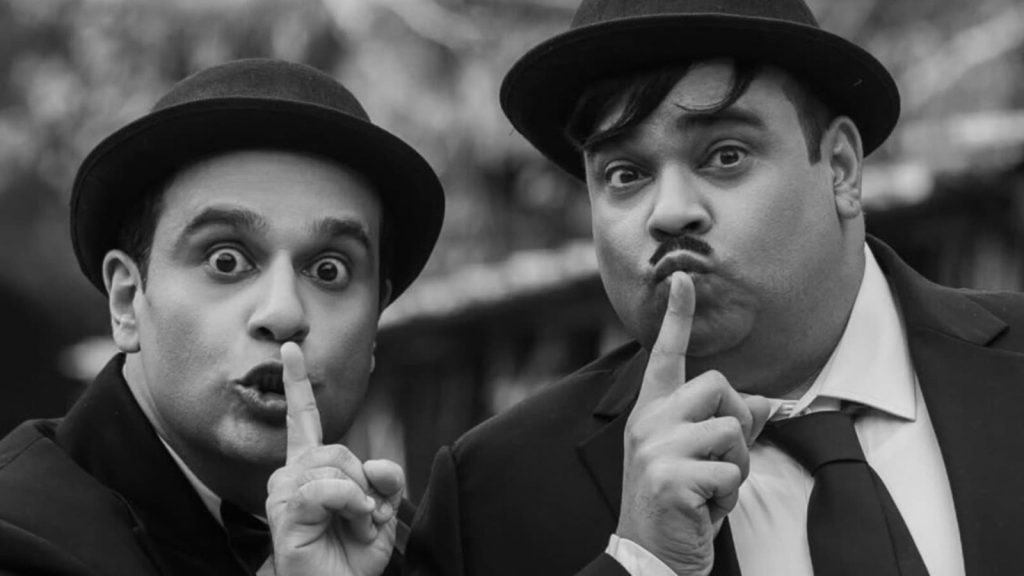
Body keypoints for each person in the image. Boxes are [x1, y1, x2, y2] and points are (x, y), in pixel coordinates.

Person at [405, 1, 1024, 575]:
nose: (670, 211)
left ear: (840, 168)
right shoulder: (494, 498)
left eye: (726, 155)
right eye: (624, 174)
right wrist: (642, 562)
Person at [0, 58, 445, 576]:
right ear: (126, 300)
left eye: (329, 270)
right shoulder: (19, 538)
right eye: (226, 261)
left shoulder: (408, 548)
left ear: (375, 325)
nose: (283, 313)